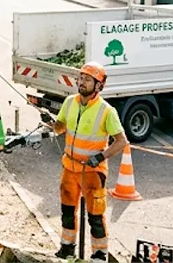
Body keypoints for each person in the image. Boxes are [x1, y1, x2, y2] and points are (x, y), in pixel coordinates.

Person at [45, 62, 128, 261]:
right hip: (69, 167)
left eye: (87, 79)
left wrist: (100, 157)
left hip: (93, 171)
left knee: (95, 216)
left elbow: (121, 142)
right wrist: (50, 122)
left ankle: (99, 255)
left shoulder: (107, 111)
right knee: (67, 211)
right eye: (80, 78)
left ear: (99, 85)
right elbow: (59, 129)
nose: (81, 82)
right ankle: (67, 248)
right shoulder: (69, 102)